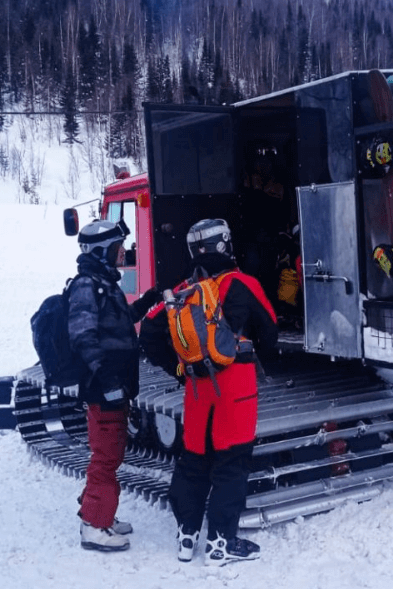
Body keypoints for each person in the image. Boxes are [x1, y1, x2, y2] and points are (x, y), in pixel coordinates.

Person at [139, 218, 278, 567]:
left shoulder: (183, 291)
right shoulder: (243, 284)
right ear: (225, 244)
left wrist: (180, 369)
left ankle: (187, 535)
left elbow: (149, 333)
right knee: (232, 463)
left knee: (194, 460)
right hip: (236, 388)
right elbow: (271, 330)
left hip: (197, 389)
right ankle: (220, 543)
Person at [69, 219, 160, 553]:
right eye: (118, 247)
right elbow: (82, 336)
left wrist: (148, 300)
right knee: (106, 456)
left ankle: (101, 513)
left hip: (117, 385)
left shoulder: (105, 283)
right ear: (101, 251)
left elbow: (121, 323)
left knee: (113, 451)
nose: (124, 252)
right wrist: (106, 379)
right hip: (103, 387)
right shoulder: (86, 286)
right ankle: (94, 526)